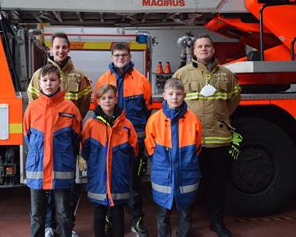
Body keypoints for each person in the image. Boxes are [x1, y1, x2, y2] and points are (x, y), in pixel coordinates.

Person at [173, 34, 241, 237]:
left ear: (213, 50)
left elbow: (233, 100)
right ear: (193, 51)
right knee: (187, 185)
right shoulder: (182, 74)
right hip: (191, 141)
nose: (203, 49)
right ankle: (185, 224)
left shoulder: (227, 75)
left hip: (218, 139)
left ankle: (217, 222)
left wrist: (219, 118)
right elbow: (174, 102)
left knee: (216, 184)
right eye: (199, 46)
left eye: (207, 46)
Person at [27, 32, 91, 237]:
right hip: (42, 150)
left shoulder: (79, 77)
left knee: (64, 207)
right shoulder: (38, 75)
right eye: (57, 47)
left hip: (62, 146)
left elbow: (82, 109)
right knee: (38, 210)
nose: (60, 50)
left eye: (64, 47)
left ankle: (65, 230)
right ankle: (48, 227)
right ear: (51, 48)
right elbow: (29, 131)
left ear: (69, 48)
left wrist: (64, 123)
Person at [94, 42, 152, 236]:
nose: (121, 58)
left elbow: (148, 110)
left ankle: (137, 220)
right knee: (110, 183)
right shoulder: (103, 80)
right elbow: (98, 111)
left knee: (134, 184)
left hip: (134, 142)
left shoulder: (142, 80)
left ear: (130, 56)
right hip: (109, 144)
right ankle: (111, 219)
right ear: (111, 57)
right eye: (117, 55)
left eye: (124, 55)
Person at [23, 63, 82, 237]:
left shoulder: (70, 108)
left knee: (64, 213)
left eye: (53, 80)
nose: (49, 83)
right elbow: (28, 136)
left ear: (60, 82)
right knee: (37, 215)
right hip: (38, 169)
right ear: (39, 83)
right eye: (45, 80)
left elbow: (76, 137)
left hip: (60, 169)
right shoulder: (32, 108)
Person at [145, 78, 202, 237]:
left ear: (184, 95)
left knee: (185, 211)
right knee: (163, 213)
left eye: (178, 94)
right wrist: (159, 161)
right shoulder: (155, 119)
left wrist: (189, 160)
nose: (174, 97)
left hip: (186, 172)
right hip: (164, 173)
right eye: (171, 94)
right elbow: (149, 145)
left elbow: (198, 144)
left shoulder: (192, 118)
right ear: (164, 95)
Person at [81, 84, 138, 237]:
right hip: (98, 177)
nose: (107, 101)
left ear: (116, 99)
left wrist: (123, 166)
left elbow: (133, 150)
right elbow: (85, 149)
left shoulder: (126, 125)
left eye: (110, 97)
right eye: (103, 98)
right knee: (99, 211)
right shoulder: (91, 125)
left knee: (118, 212)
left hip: (119, 177)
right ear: (97, 101)